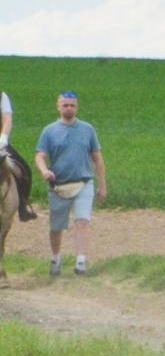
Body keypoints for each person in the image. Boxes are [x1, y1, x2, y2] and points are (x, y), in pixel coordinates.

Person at [34, 91, 106, 277]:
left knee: (82, 221)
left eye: (72, 105)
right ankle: (56, 258)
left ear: (77, 107)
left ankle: (81, 261)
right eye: (65, 105)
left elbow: (97, 158)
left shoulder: (88, 129)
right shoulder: (49, 131)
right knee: (56, 227)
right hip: (59, 186)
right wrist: (44, 171)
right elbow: (40, 155)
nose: (69, 108)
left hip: (84, 183)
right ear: (58, 107)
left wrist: (102, 185)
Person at [0, 85, 37, 220]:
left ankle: (23, 206)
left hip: (0, 145)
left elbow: (7, 119)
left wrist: (3, 138)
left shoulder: (2, 97)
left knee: (24, 169)